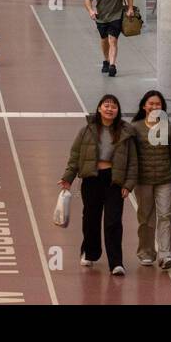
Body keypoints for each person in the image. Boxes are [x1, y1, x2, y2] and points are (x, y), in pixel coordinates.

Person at [60, 94, 138, 276]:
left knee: (113, 221)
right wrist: (68, 178)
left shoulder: (126, 132)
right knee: (90, 218)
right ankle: (90, 252)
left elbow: (133, 162)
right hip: (92, 179)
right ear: (99, 108)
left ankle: (116, 262)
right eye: (106, 105)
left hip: (114, 180)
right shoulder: (87, 130)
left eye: (113, 106)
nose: (110, 109)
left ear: (118, 111)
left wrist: (129, 184)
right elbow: (75, 155)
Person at [131, 91, 171, 270]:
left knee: (165, 216)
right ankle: (146, 252)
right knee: (145, 218)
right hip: (142, 181)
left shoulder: (168, 128)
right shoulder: (135, 128)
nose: (155, 107)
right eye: (151, 104)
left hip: (165, 180)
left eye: (158, 104)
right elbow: (128, 156)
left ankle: (166, 254)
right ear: (144, 106)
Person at [84, 0, 135, 77]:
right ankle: (106, 60)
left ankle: (112, 65)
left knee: (113, 40)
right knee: (104, 39)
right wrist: (90, 11)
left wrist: (130, 8)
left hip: (116, 16)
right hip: (101, 17)